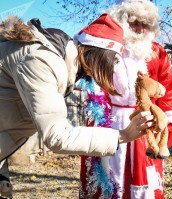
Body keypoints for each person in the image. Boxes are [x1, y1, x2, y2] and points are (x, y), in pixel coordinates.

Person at [0, 13, 154, 198]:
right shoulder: (42, 61)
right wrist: (123, 135)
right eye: (114, 60)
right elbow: (57, 136)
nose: (114, 68)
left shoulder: (59, 63)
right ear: (98, 54)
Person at [79, 0, 172, 198]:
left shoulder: (157, 53)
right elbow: (94, 84)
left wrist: (164, 133)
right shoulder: (105, 49)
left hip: (146, 123)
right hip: (108, 121)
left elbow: (169, 95)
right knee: (106, 178)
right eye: (134, 22)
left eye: (145, 24)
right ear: (121, 21)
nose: (139, 28)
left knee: (144, 178)